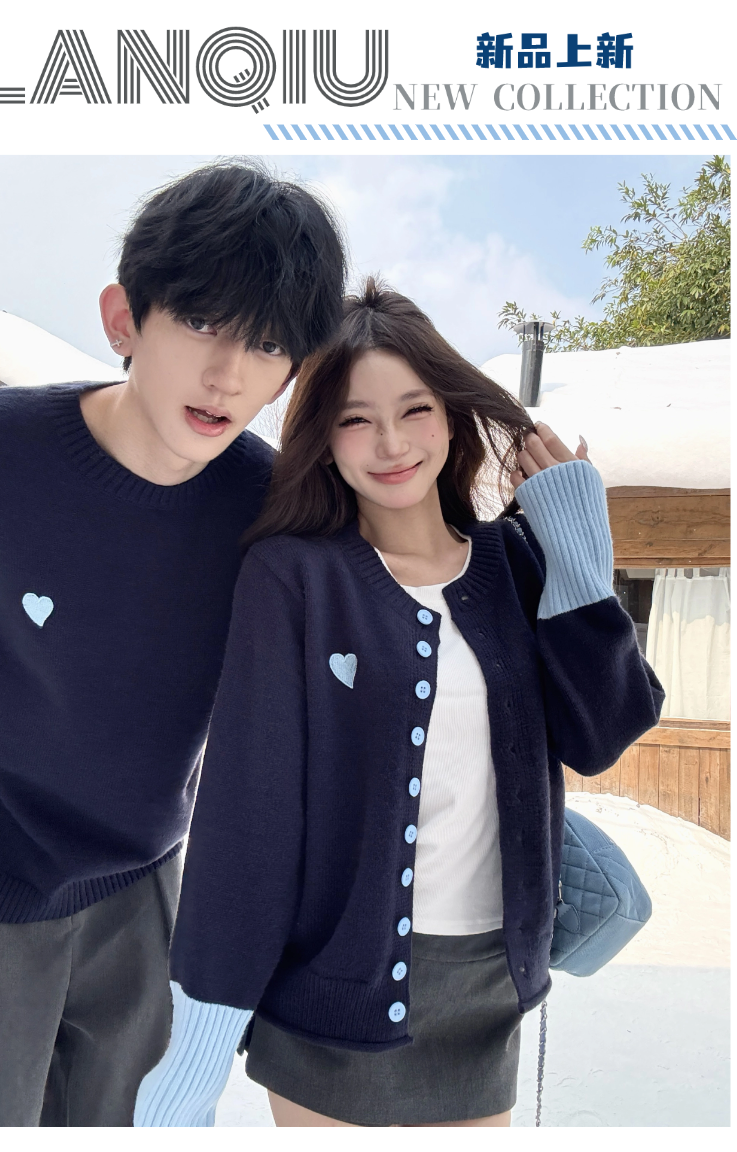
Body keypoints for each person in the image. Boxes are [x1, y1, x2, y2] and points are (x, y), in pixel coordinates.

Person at [134, 278, 664, 1128]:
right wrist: (193, 1051)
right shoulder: (294, 579)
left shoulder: (514, 567)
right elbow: (249, 821)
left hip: (487, 995)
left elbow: (601, 733)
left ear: (449, 416)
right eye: (355, 419)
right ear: (324, 439)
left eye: (415, 409)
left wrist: (576, 551)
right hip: (330, 1002)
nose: (390, 443)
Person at [0, 160, 346, 1127]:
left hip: (147, 895)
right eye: (202, 322)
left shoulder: (278, 517)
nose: (228, 375)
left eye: (267, 344)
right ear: (124, 318)